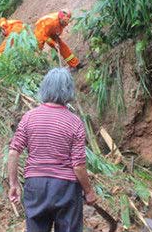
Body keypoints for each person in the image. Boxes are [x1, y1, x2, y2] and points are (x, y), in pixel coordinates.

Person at [7, 68, 97, 232]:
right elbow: (78, 166)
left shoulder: (29, 117)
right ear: (69, 91)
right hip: (65, 189)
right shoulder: (74, 122)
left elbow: (13, 152)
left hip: (35, 187)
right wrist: (89, 191)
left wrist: (13, 184)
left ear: (45, 88)